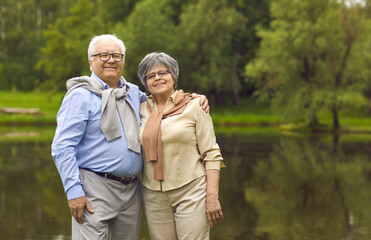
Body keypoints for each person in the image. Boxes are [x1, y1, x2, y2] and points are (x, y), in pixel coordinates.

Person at [51, 34, 208, 240]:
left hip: (132, 191)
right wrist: (73, 191)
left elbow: (162, 102)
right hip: (93, 187)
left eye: (117, 55)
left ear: (123, 61)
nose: (110, 59)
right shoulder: (80, 95)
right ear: (91, 61)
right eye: (103, 55)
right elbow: (63, 147)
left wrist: (191, 98)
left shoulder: (133, 93)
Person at [138, 52, 225, 240]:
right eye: (151, 75)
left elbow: (211, 154)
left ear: (173, 76)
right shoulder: (139, 109)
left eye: (163, 72)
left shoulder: (194, 106)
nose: (158, 78)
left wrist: (212, 197)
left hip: (191, 190)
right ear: (145, 82)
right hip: (153, 195)